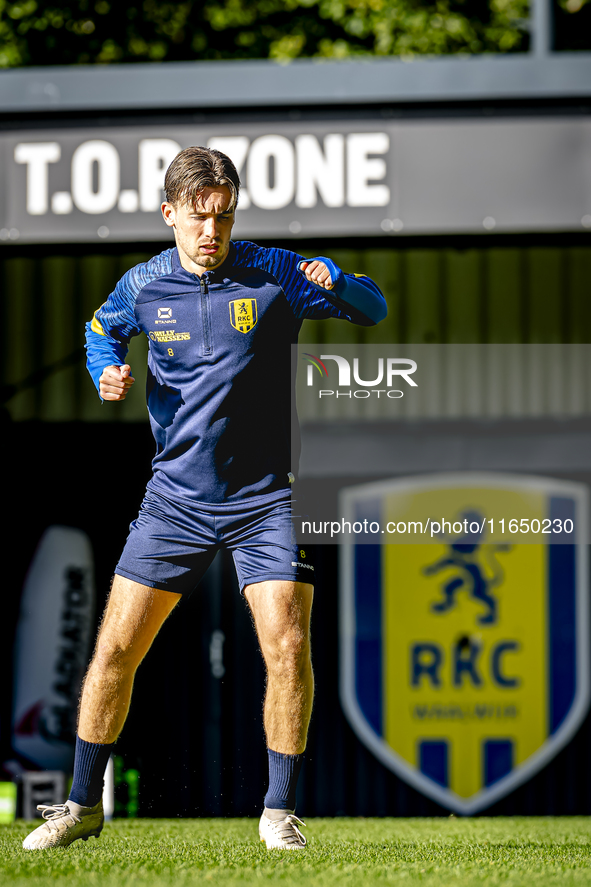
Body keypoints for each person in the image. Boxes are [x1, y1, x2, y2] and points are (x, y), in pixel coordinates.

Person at [23, 146, 387, 851]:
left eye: (222, 216)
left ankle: (277, 811)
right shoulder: (143, 285)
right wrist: (106, 371)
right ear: (170, 215)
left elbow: (370, 309)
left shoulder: (276, 271)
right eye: (197, 218)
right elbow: (101, 330)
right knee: (116, 648)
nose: (211, 231)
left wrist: (339, 279)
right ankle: (80, 805)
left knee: (286, 640)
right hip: (174, 502)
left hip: (267, 500)